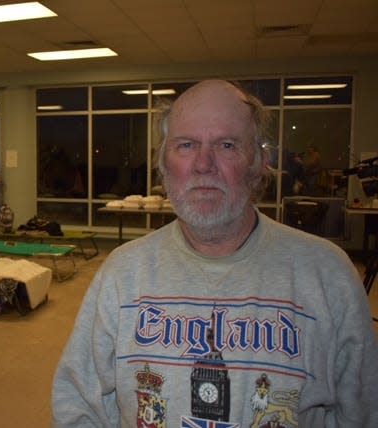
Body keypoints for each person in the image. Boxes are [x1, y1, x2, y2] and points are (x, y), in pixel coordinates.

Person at [52, 80, 378, 427]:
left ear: (259, 164)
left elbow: (364, 411)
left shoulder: (328, 275)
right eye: (186, 145)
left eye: (227, 145)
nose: (203, 164)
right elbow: (78, 403)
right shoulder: (120, 273)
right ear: (163, 165)